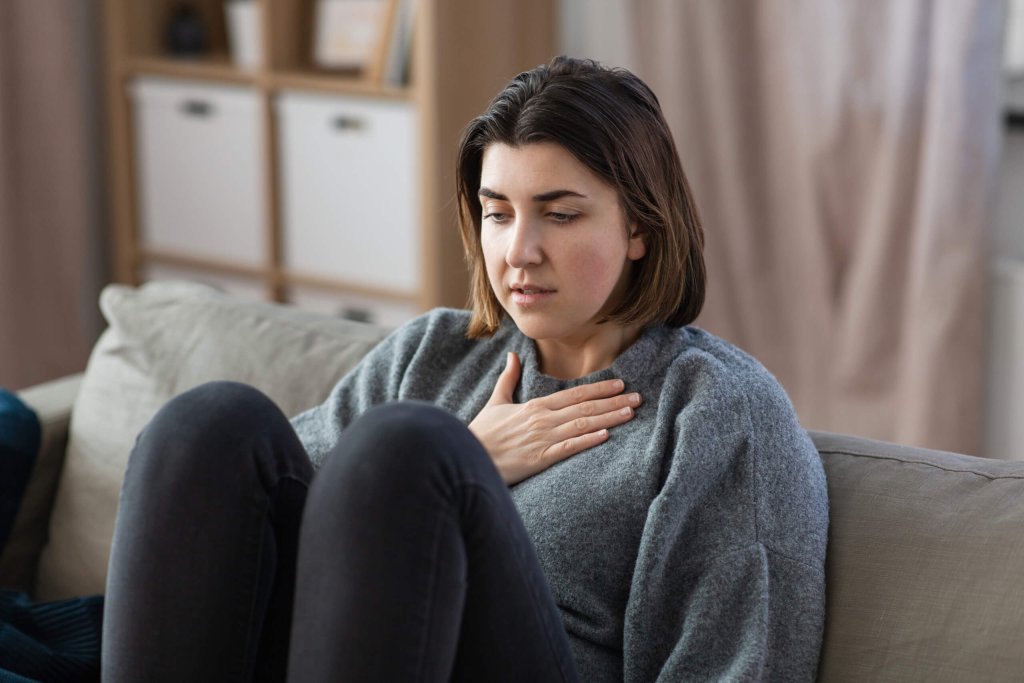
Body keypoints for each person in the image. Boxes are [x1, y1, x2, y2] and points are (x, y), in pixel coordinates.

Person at [102, 56, 828, 682]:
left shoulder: (715, 409)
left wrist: (444, 472)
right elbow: (281, 537)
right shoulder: (433, 354)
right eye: (498, 213)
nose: (519, 251)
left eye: (560, 214)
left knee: (406, 449)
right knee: (207, 425)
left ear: (639, 225)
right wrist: (475, 455)